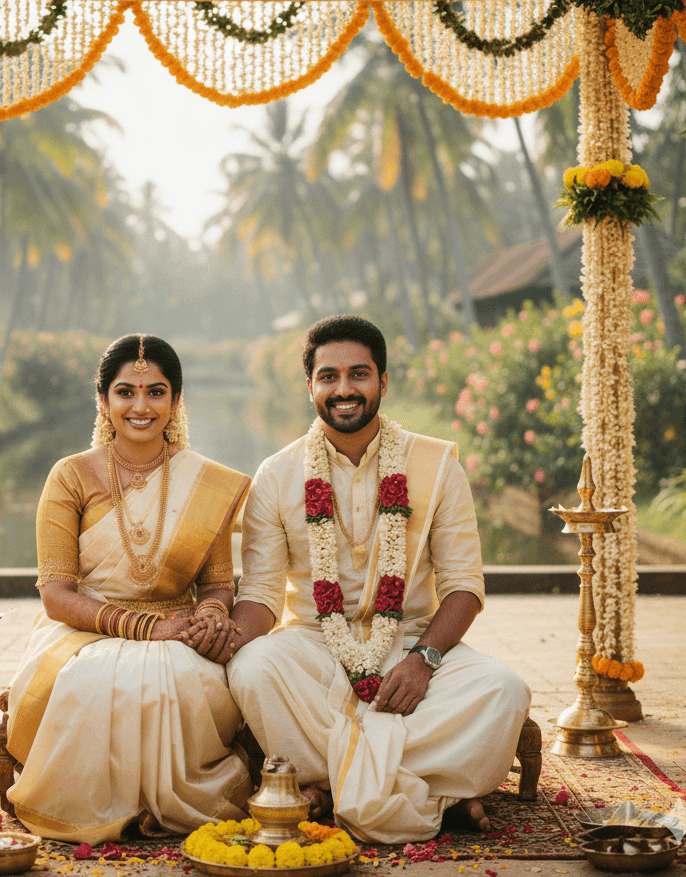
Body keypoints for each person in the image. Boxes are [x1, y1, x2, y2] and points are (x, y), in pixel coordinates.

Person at [226, 315, 531, 844]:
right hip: (314, 648)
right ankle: (433, 793)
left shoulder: (436, 466)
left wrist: (425, 661)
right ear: (310, 387)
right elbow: (259, 595)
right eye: (328, 377)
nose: (344, 390)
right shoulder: (276, 475)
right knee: (253, 669)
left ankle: (323, 789)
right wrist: (220, 636)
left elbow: (464, 587)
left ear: (383, 382)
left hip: (413, 641)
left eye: (359, 374)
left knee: (502, 691)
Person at [5, 334, 252, 843]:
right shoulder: (70, 476)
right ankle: (93, 805)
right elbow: (55, 592)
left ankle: (177, 803)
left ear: (176, 401)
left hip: (180, 627)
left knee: (189, 682)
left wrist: (210, 613)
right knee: (89, 684)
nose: (141, 407)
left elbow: (219, 583)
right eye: (125, 392)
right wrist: (144, 626)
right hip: (84, 627)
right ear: (103, 400)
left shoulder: (205, 481)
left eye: (156, 392)